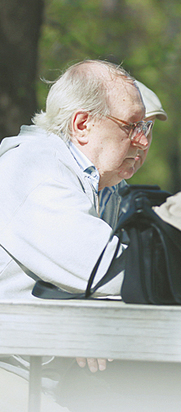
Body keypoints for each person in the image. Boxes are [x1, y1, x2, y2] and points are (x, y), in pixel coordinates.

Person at [0, 59, 151, 301]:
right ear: (82, 125)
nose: (142, 141)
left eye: (145, 126)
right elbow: (106, 270)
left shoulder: (107, 185)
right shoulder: (32, 169)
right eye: (132, 126)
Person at [99, 79, 168, 228]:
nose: (142, 142)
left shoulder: (119, 191)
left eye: (148, 128)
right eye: (132, 126)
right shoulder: (58, 176)